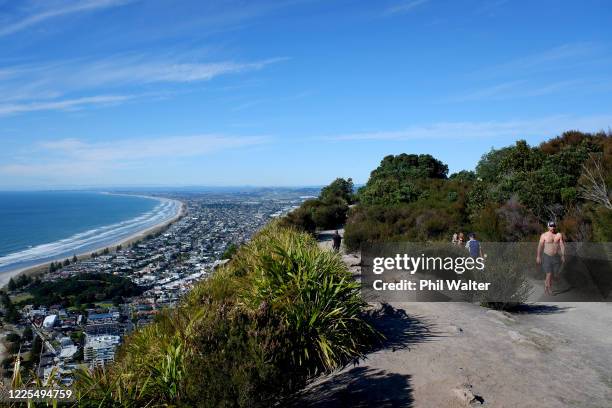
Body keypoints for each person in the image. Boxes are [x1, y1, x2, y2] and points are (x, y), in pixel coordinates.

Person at [536, 221, 565, 295]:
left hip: (555, 256)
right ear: (548, 227)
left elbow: (562, 245)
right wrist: (538, 256)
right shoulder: (544, 235)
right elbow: (540, 246)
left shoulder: (558, 235)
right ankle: (549, 288)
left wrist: (563, 255)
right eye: (551, 226)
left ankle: (546, 284)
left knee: (553, 274)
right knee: (549, 273)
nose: (552, 227)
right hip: (546, 256)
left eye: (553, 226)